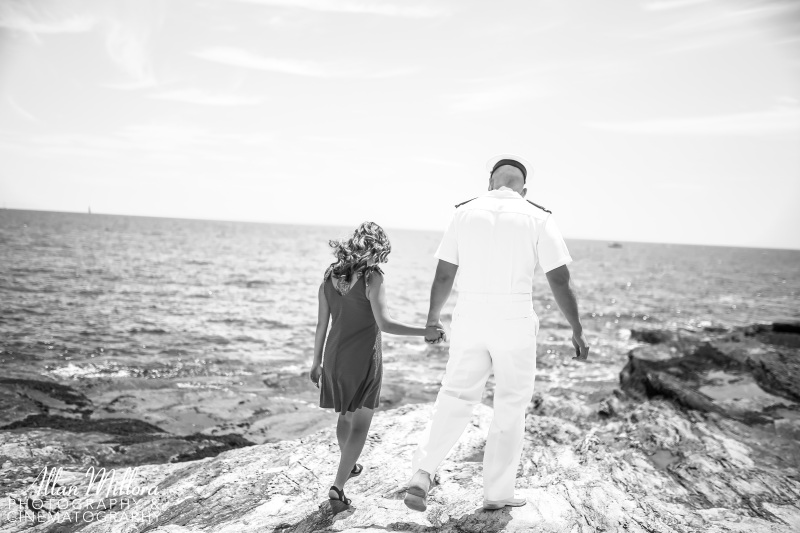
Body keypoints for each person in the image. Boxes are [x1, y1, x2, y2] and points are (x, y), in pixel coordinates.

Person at [405, 155, 590, 512]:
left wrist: (432, 318)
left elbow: (444, 274)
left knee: (455, 395)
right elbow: (559, 279)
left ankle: (423, 472)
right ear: (525, 188)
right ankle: (497, 493)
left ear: (490, 182)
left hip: (470, 315)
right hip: (514, 318)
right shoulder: (539, 217)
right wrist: (577, 329)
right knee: (510, 405)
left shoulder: (463, 212)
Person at [309, 221, 443, 506]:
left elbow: (322, 323)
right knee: (361, 423)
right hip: (363, 358)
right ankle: (338, 486)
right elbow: (385, 323)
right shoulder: (372, 278)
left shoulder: (330, 275)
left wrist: (316, 362)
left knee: (344, 416)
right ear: (377, 249)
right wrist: (425, 331)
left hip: (333, 356)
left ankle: (349, 464)